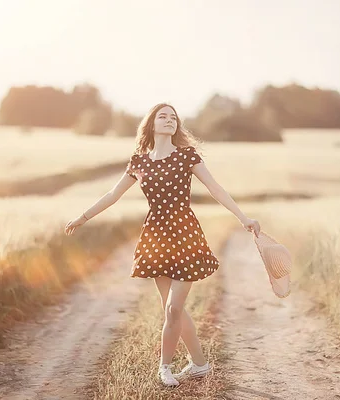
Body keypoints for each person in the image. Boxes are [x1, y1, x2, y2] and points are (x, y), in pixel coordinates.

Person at [64, 103, 260, 387]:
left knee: (173, 310)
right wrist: (82, 217)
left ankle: (164, 367)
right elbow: (112, 194)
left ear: (177, 125)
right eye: (162, 116)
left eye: (173, 117)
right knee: (173, 308)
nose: (169, 120)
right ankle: (200, 365)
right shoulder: (139, 162)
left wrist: (244, 218)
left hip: (185, 234)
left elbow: (216, 189)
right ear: (151, 124)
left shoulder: (187, 156)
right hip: (156, 237)